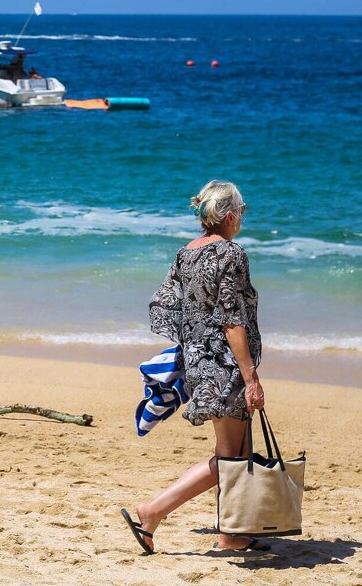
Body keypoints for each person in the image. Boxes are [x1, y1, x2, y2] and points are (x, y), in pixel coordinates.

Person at [121, 180, 267, 554]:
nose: (242, 219)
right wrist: (250, 376)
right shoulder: (230, 254)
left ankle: (232, 534)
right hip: (225, 365)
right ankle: (152, 511)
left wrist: (194, 349)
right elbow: (233, 320)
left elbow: (169, 304)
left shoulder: (186, 254)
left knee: (239, 450)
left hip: (199, 362)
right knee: (229, 456)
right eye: (243, 212)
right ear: (230, 215)